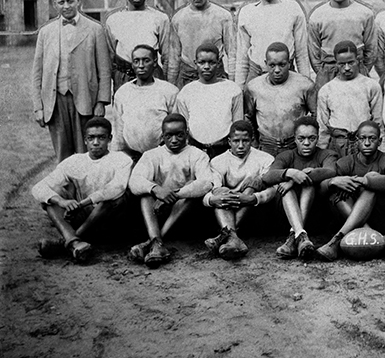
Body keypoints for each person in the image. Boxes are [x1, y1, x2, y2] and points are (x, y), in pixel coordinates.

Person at [31, 118, 131, 263]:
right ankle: (75, 243)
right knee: (50, 199)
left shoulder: (121, 159)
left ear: (110, 138)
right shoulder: (75, 161)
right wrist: (62, 201)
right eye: (91, 138)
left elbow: (116, 188)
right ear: (85, 140)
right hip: (82, 217)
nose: (96, 143)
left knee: (112, 199)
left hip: (110, 221)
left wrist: (82, 204)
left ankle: (68, 241)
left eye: (101, 138)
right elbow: (38, 188)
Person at [32, 0, 111, 162]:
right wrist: (38, 107)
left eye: (70, 1)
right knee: (63, 156)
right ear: (54, 4)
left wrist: (101, 102)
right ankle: (67, 190)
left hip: (85, 100)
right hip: (55, 101)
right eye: (61, 2)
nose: (66, 6)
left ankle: (87, 190)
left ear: (79, 1)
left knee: (87, 154)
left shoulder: (95, 29)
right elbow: (37, 72)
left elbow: (104, 70)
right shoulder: (45, 32)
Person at [128, 113, 213, 267]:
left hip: (184, 215)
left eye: (179, 135)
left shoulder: (197, 154)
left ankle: (154, 242)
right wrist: (155, 189)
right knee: (145, 195)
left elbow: (206, 183)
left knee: (191, 192)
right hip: (157, 213)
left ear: (187, 133)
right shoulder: (152, 155)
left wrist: (174, 195)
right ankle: (157, 242)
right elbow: (134, 182)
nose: (174, 140)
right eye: (169, 135)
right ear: (163, 136)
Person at [316, 121, 385, 261]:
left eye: (372, 139)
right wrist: (333, 182)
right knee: (337, 192)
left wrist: (364, 181)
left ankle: (336, 240)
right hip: (349, 216)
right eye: (362, 138)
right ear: (356, 141)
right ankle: (375, 235)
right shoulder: (345, 162)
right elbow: (321, 191)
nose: (367, 143)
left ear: (379, 141)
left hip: (381, 217)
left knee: (371, 187)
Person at [262, 117, 337, 259]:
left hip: (315, 216)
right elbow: (267, 177)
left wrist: (296, 178)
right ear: (294, 139)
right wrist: (290, 173)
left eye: (312, 138)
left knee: (308, 186)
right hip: (286, 215)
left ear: (318, 137)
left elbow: (331, 171)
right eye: (301, 138)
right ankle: (301, 235)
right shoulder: (286, 155)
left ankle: (294, 236)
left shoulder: (326, 154)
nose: (307, 143)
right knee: (287, 190)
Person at [203, 120, 278, 259]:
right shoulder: (217, 161)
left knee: (252, 187)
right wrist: (222, 197)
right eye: (236, 141)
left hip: (253, 211)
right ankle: (234, 239)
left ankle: (225, 236)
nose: (241, 145)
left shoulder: (265, 158)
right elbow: (214, 189)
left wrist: (251, 198)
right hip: (227, 209)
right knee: (222, 195)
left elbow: (272, 188)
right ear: (229, 141)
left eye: (246, 141)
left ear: (252, 140)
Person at [235, 0, 311, 86]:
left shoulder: (292, 8)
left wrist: (306, 84)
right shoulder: (247, 12)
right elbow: (242, 57)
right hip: (257, 75)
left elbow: (301, 53)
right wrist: (239, 87)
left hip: (286, 75)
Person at [105, 0, 175, 91]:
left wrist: (167, 84)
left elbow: (167, 56)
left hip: (152, 77)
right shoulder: (113, 20)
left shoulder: (160, 18)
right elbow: (109, 57)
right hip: (124, 78)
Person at [308, 0, 376, 90]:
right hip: (328, 73)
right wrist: (324, 73)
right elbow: (314, 53)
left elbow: (371, 50)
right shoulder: (317, 16)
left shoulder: (365, 13)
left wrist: (360, 69)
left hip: (357, 71)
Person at [245, 42, 316, 157]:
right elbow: (248, 117)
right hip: (266, 145)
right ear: (265, 64)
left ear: (289, 63)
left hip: (295, 145)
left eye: (282, 65)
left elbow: (316, 114)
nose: (277, 70)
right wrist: (255, 143)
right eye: (272, 65)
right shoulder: (254, 87)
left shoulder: (304, 84)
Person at [317, 40, 385, 158]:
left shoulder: (371, 86)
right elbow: (323, 127)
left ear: (358, 60)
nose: (347, 68)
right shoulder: (326, 90)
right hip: (338, 145)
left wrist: (383, 153)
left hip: (365, 144)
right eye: (342, 64)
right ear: (336, 63)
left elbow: (378, 122)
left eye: (351, 62)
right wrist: (320, 155)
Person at [175, 43, 244, 159]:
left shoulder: (232, 89)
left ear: (218, 62)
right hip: (195, 149)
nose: (206, 67)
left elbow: (238, 124)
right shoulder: (186, 92)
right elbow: (184, 126)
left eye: (211, 62)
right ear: (195, 62)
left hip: (224, 149)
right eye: (202, 62)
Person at [112, 44, 179, 161]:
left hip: (162, 157)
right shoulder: (123, 92)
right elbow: (118, 131)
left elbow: (177, 128)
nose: (141, 65)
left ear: (154, 62)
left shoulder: (169, 91)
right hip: (132, 156)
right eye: (136, 61)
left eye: (146, 61)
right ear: (132, 64)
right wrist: (117, 157)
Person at [170, 0, 236, 87]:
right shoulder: (178, 18)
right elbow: (174, 57)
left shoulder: (223, 16)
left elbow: (232, 52)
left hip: (215, 76)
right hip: (188, 76)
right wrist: (171, 84)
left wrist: (233, 82)